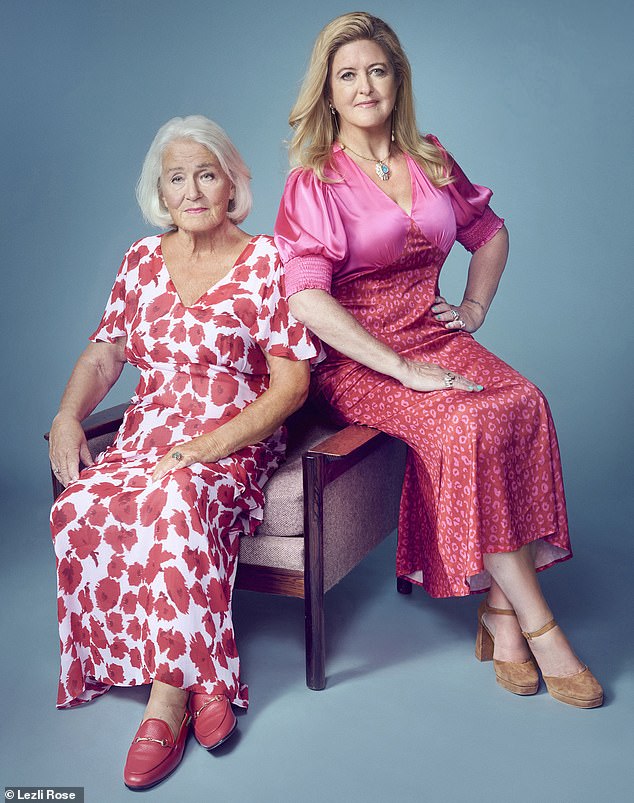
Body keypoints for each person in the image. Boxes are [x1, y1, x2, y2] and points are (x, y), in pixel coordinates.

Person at [274, 12, 602, 708]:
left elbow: (491, 232)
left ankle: (500, 613)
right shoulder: (314, 181)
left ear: (398, 80)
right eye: (347, 75)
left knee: (525, 401)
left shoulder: (430, 157)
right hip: (361, 362)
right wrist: (400, 368)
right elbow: (305, 298)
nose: (365, 86)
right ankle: (541, 627)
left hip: (434, 333)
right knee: (466, 424)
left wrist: (473, 308)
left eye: (377, 70)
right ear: (328, 92)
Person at [49, 115, 319, 790]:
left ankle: (166, 699)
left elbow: (292, 384)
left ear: (231, 183)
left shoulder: (268, 260)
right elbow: (105, 353)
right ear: (161, 192)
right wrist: (67, 416)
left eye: (206, 174)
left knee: (177, 496)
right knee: (77, 506)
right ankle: (207, 678)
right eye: (177, 178)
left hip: (235, 434)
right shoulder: (141, 260)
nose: (192, 191)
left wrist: (205, 447)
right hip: (147, 433)